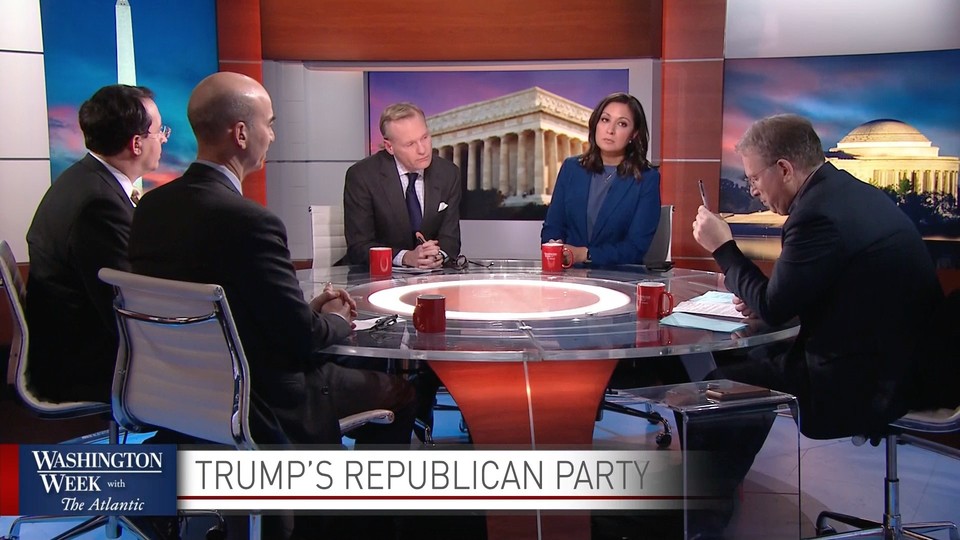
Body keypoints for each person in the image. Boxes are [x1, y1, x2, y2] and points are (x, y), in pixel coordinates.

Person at [128, 72, 415, 449]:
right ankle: (348, 505)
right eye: (270, 124)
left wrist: (303, 310)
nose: (273, 136)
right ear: (242, 134)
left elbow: (234, 304)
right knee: (402, 391)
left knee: (357, 365)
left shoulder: (151, 207)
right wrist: (339, 320)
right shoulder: (251, 222)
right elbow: (301, 338)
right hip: (264, 397)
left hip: (180, 392)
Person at [693, 113, 943, 440]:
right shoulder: (843, 191)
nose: (753, 191)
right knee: (747, 353)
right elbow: (806, 293)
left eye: (754, 178)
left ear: (784, 169)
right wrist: (770, 301)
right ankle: (721, 480)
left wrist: (723, 247)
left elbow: (772, 308)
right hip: (906, 359)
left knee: (717, 384)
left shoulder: (816, 215)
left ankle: (708, 488)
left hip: (875, 381)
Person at [25, 84, 168, 403]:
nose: (163, 139)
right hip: (86, 367)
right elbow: (128, 305)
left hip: (75, 350)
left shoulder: (85, 181)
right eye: (159, 132)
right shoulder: (98, 204)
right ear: (136, 144)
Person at [541, 92, 661, 266]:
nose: (610, 130)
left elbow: (636, 247)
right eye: (605, 120)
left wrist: (585, 255)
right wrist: (554, 246)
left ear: (633, 134)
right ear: (595, 124)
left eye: (622, 124)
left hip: (618, 278)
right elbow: (553, 225)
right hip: (569, 276)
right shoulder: (571, 168)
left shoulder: (646, 179)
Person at [343, 102, 461, 269]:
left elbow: (451, 238)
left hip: (432, 280)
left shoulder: (448, 174)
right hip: (377, 278)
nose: (423, 150)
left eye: (425, 137)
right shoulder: (362, 176)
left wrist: (438, 255)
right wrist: (405, 257)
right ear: (389, 147)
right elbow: (359, 246)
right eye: (410, 144)